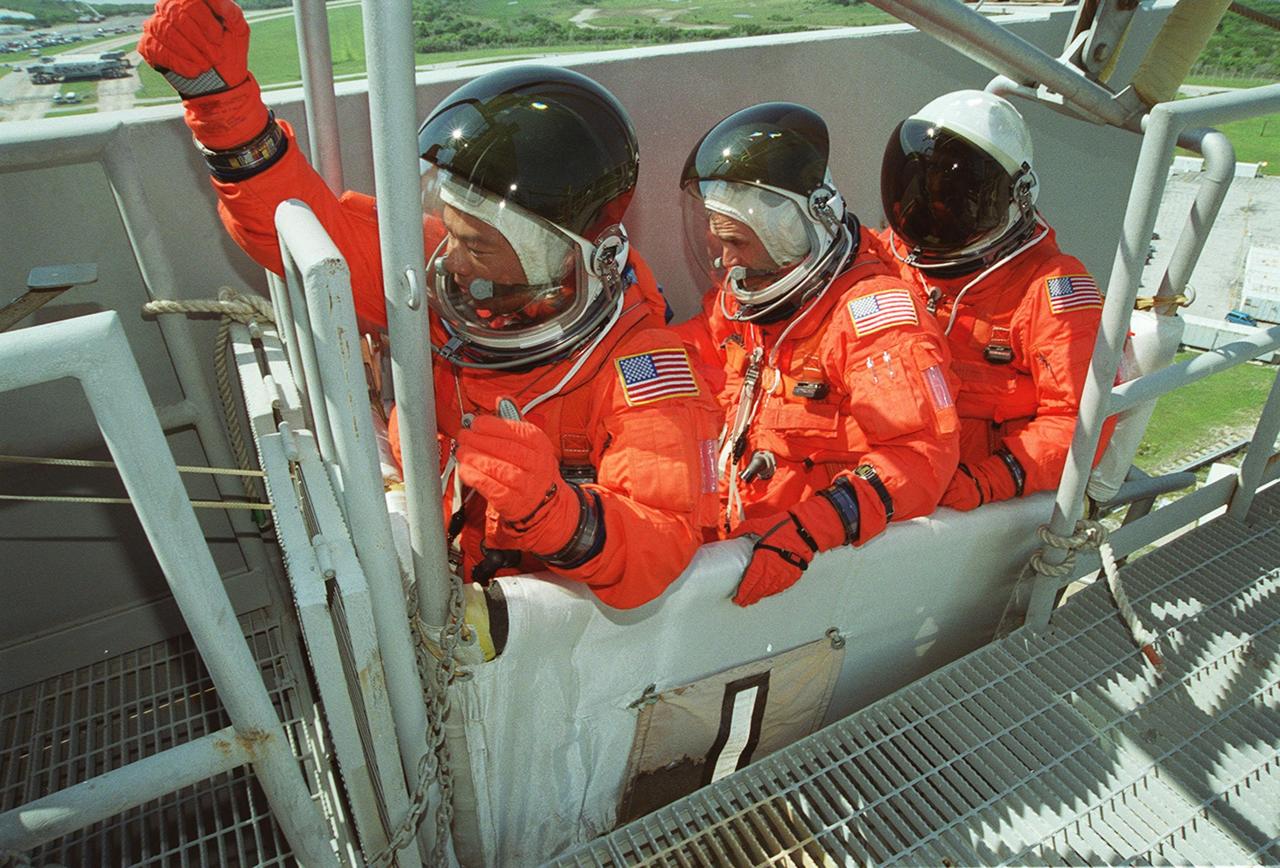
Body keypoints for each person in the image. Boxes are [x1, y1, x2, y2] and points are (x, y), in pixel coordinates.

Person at [138, 0, 722, 609]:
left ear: (560, 257)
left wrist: (558, 514)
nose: (454, 261)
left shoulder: (642, 372)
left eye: (477, 245)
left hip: (529, 610)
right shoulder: (443, 270)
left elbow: (666, 538)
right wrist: (223, 107)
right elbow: (297, 232)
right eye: (451, 230)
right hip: (439, 556)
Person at [675, 103, 960, 607]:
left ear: (790, 234)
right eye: (716, 243)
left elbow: (920, 456)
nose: (725, 261)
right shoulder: (748, 294)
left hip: (813, 564)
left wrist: (813, 527)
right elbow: (698, 355)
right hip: (733, 521)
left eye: (737, 242)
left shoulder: (874, 318)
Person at [878, 90, 1107, 512]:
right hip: (886, 470)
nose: (934, 207)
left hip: (973, 506)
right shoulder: (887, 258)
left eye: (955, 195)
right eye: (924, 189)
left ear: (1016, 196)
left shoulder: (1050, 289)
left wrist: (985, 481)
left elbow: (1079, 421)